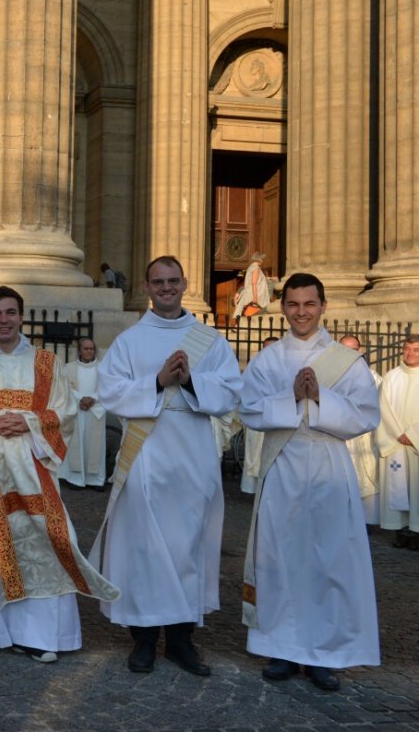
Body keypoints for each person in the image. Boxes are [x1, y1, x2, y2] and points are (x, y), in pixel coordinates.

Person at [0, 287, 118, 662]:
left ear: (21, 316)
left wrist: (28, 421)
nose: (3, 320)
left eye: (10, 312)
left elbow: (64, 413)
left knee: (42, 546)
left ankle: (37, 635)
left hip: (34, 471)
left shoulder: (47, 363)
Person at [92, 255, 241, 676]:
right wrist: (157, 381)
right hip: (145, 455)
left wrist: (191, 379)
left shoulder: (209, 339)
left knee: (187, 546)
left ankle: (180, 641)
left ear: (184, 282)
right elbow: (110, 390)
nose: (167, 288)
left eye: (173, 280)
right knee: (144, 547)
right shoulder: (129, 340)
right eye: (158, 281)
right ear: (147, 286)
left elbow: (231, 391)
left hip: (192, 452)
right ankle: (143, 639)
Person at [239, 273, 380, 691]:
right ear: (283, 308)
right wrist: (290, 398)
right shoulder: (268, 360)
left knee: (328, 559)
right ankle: (281, 650)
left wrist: (321, 397)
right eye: (294, 305)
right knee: (280, 558)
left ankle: (323, 654)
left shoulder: (347, 360)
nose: (302, 312)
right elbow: (249, 409)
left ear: (323, 306)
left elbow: (366, 415)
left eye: (310, 304)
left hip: (328, 466)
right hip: (282, 466)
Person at [375, 334, 419, 547]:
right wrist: (398, 433)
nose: (410, 353)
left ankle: (417, 533)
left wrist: (413, 435)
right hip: (395, 443)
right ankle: (401, 532)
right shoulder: (391, 377)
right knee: (398, 488)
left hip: (415, 444)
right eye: (407, 349)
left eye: (416, 349)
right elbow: (382, 407)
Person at [338, 335, 382, 523]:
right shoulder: (332, 375)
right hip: (340, 433)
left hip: (364, 435)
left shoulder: (373, 377)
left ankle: (366, 519)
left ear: (360, 350)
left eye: (352, 349)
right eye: (343, 349)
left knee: (366, 475)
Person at [58, 338, 107, 490]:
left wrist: (92, 399)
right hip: (77, 409)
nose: (89, 351)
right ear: (79, 350)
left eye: (91, 349)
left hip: (96, 410)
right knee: (76, 443)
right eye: (85, 349)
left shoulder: (103, 368)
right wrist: (81, 399)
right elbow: (64, 388)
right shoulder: (68, 368)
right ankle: (75, 478)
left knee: (95, 445)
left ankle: (95, 479)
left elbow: (108, 387)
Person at [241, 335, 280, 494]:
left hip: (278, 417)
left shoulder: (287, 365)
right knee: (256, 453)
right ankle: (256, 489)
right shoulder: (254, 366)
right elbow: (245, 389)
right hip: (258, 415)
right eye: (266, 348)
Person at [233, 252, 272, 319]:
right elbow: (254, 283)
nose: (263, 261)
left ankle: (238, 326)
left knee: (246, 313)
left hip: (249, 292)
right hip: (254, 294)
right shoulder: (256, 268)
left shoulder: (251, 267)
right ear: (260, 259)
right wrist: (255, 296)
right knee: (255, 313)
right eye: (262, 259)